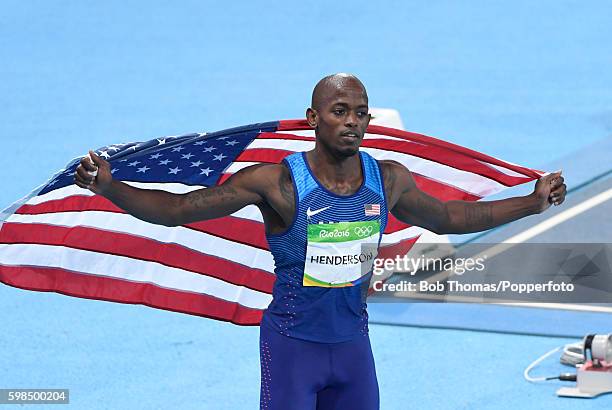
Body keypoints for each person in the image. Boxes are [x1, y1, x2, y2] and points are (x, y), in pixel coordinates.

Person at [74, 73, 566, 410]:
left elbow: (452, 217)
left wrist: (531, 202)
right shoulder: (276, 184)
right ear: (313, 118)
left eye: (361, 112)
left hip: (354, 348)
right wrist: (110, 187)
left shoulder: (387, 179)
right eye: (339, 111)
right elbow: (178, 211)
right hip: (293, 350)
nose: (352, 121)